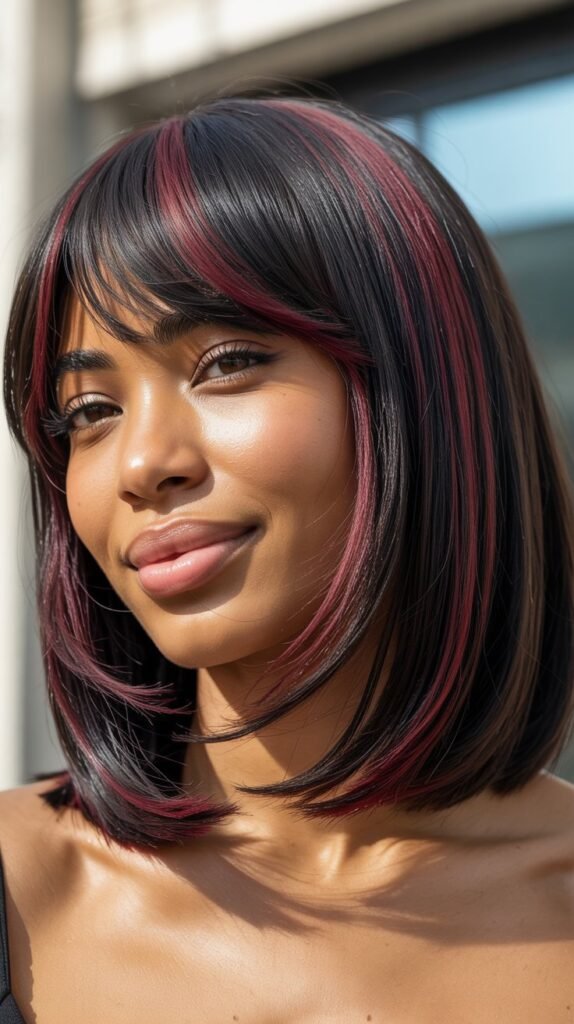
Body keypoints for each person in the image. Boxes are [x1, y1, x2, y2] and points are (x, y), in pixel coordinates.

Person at [1, 91, 573, 1023]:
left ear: (427, 393)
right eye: (90, 414)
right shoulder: (21, 891)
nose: (143, 463)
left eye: (225, 361)